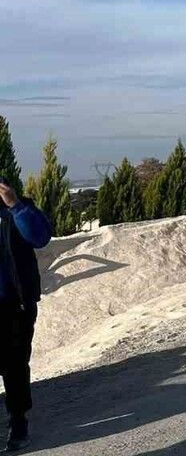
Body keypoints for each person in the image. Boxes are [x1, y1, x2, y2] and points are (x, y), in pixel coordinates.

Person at [0, 182, 51, 452]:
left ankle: (18, 422)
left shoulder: (19, 208)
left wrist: (14, 205)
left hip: (13, 305)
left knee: (14, 366)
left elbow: (40, 237)